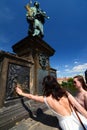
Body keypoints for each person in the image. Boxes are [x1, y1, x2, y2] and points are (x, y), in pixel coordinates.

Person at [16, 75, 87, 130]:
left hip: (67, 124)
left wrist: (21, 93)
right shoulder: (65, 93)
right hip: (79, 118)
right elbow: (79, 107)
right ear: (56, 83)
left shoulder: (46, 99)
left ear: (45, 86)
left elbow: (31, 96)